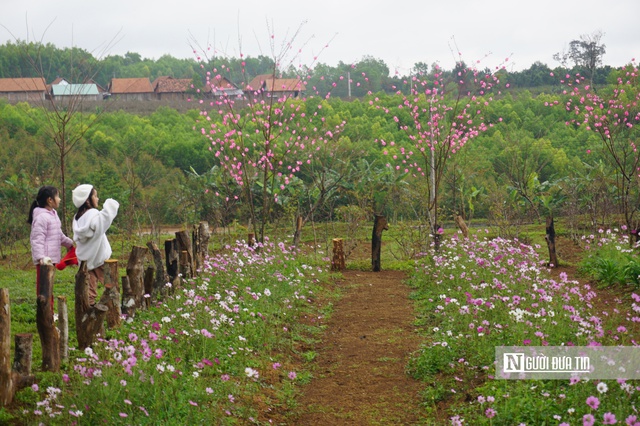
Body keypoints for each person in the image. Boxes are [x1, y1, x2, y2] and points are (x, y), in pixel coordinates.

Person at [71, 184, 119, 306]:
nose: (97, 199)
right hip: (100, 259)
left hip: (85, 261)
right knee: (112, 288)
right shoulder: (93, 214)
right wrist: (110, 204)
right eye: (95, 196)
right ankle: (114, 317)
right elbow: (104, 221)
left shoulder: (76, 219)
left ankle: (87, 318)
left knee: (89, 293)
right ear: (87, 200)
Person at [28, 186, 74, 304]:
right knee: (43, 290)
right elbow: (37, 240)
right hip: (44, 262)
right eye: (57, 196)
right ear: (50, 200)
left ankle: (50, 313)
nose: (59, 199)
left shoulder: (53, 214)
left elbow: (58, 235)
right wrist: (41, 258)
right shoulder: (41, 217)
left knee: (49, 287)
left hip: (51, 260)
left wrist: (70, 244)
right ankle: (45, 315)